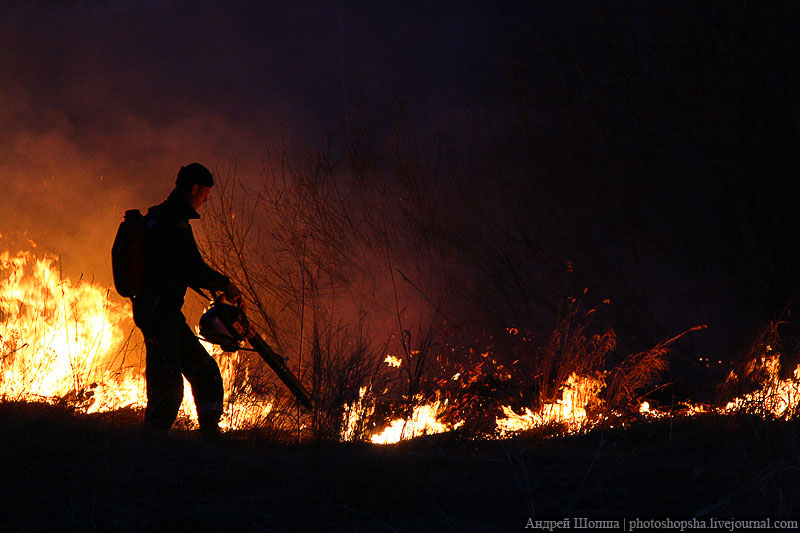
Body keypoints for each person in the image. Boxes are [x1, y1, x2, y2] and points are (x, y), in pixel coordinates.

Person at [132, 163, 243, 438]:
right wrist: (225, 285)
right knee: (167, 382)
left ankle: (210, 433)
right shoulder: (172, 221)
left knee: (204, 371)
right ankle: (152, 442)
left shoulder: (163, 217)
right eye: (205, 192)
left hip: (165, 312)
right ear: (194, 188)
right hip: (158, 313)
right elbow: (192, 267)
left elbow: (180, 267)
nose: (206, 199)